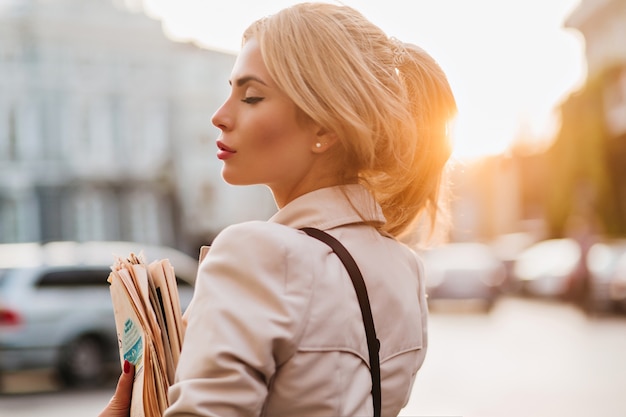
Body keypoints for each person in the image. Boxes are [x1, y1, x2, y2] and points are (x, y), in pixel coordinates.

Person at [100, 1, 456, 416]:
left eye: (251, 97)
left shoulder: (255, 252)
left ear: (324, 127)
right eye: (229, 91)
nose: (219, 116)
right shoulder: (404, 268)